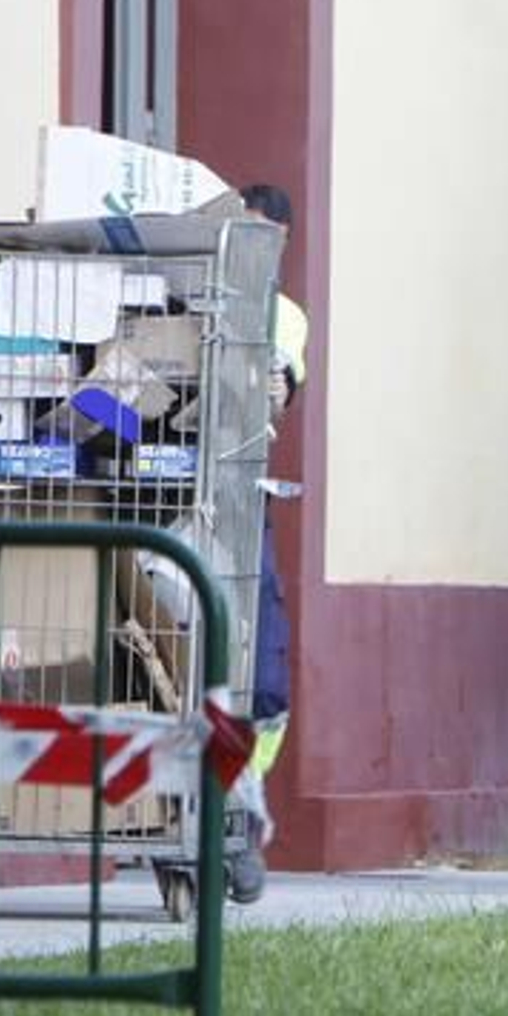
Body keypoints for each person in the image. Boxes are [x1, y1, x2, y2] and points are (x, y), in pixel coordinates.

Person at [227, 182, 311, 904]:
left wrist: (260, 378)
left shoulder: (284, 317)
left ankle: (242, 812)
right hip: (171, 493)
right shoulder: (193, 290)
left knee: (263, 672)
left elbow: (278, 387)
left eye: (262, 236)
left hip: (239, 497)